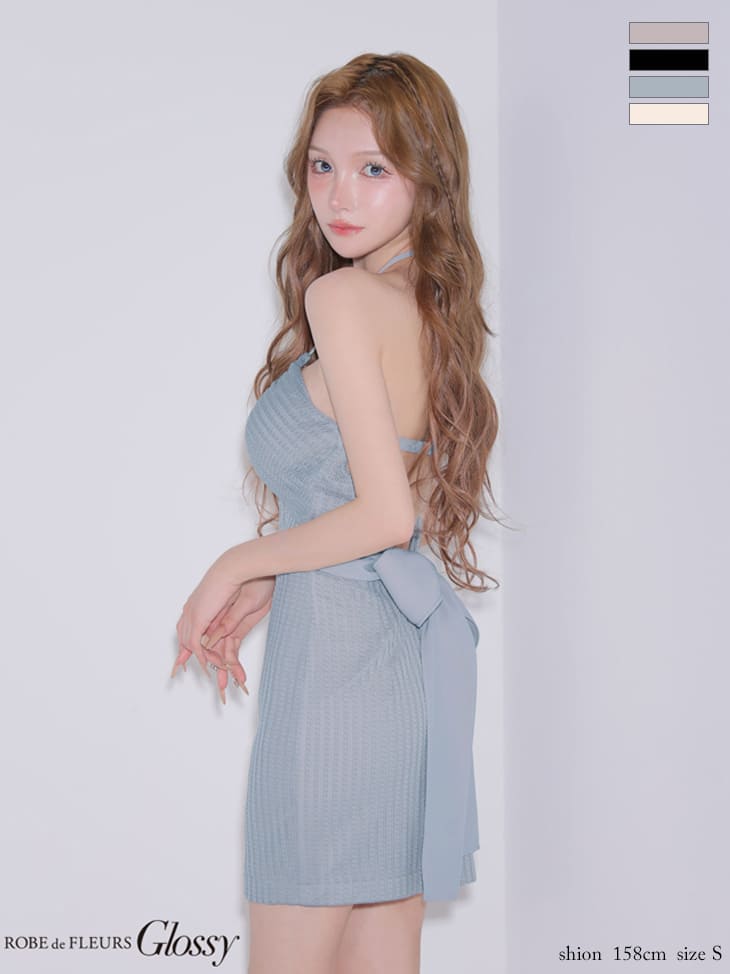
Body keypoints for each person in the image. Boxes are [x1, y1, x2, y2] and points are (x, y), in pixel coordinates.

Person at [172, 52, 502, 974]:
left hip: (330, 696)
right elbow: (377, 507)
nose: (338, 195)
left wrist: (235, 562)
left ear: (426, 177)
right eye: (322, 164)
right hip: (393, 684)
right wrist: (277, 576)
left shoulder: (343, 296)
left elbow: (385, 518)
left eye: (373, 168)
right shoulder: (427, 309)